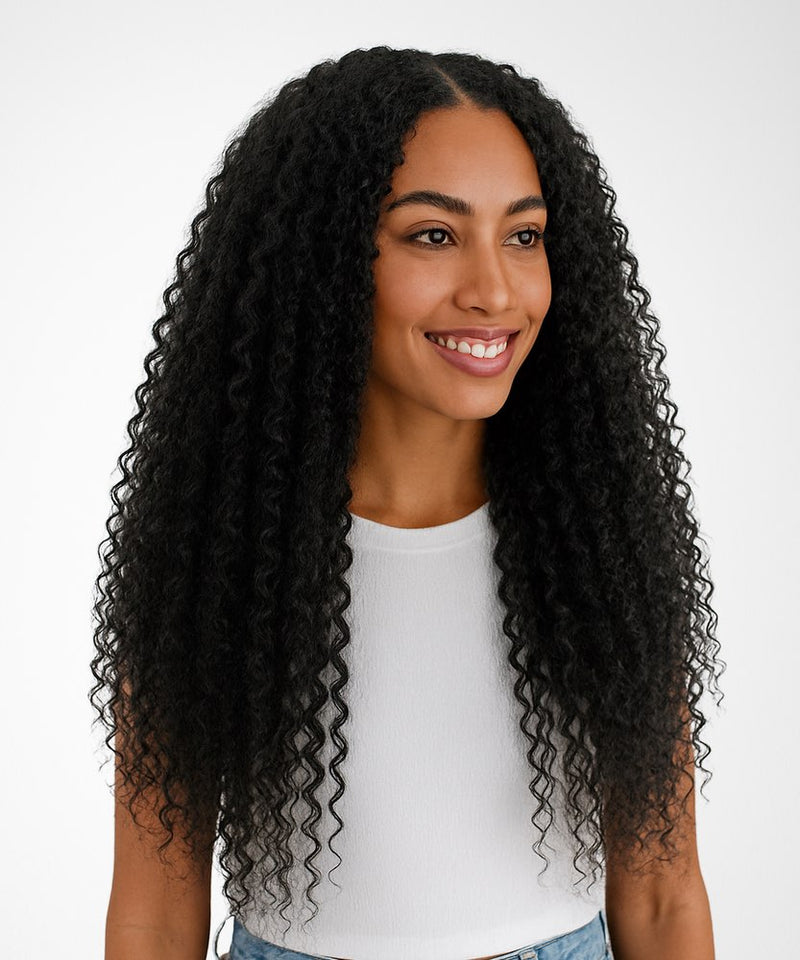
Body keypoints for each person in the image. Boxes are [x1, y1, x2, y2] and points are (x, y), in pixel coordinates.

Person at [90, 46, 722, 960]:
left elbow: (663, 898)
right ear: (325, 260)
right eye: (433, 234)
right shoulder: (213, 552)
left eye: (524, 235)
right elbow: (153, 913)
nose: (494, 290)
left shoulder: (604, 547)